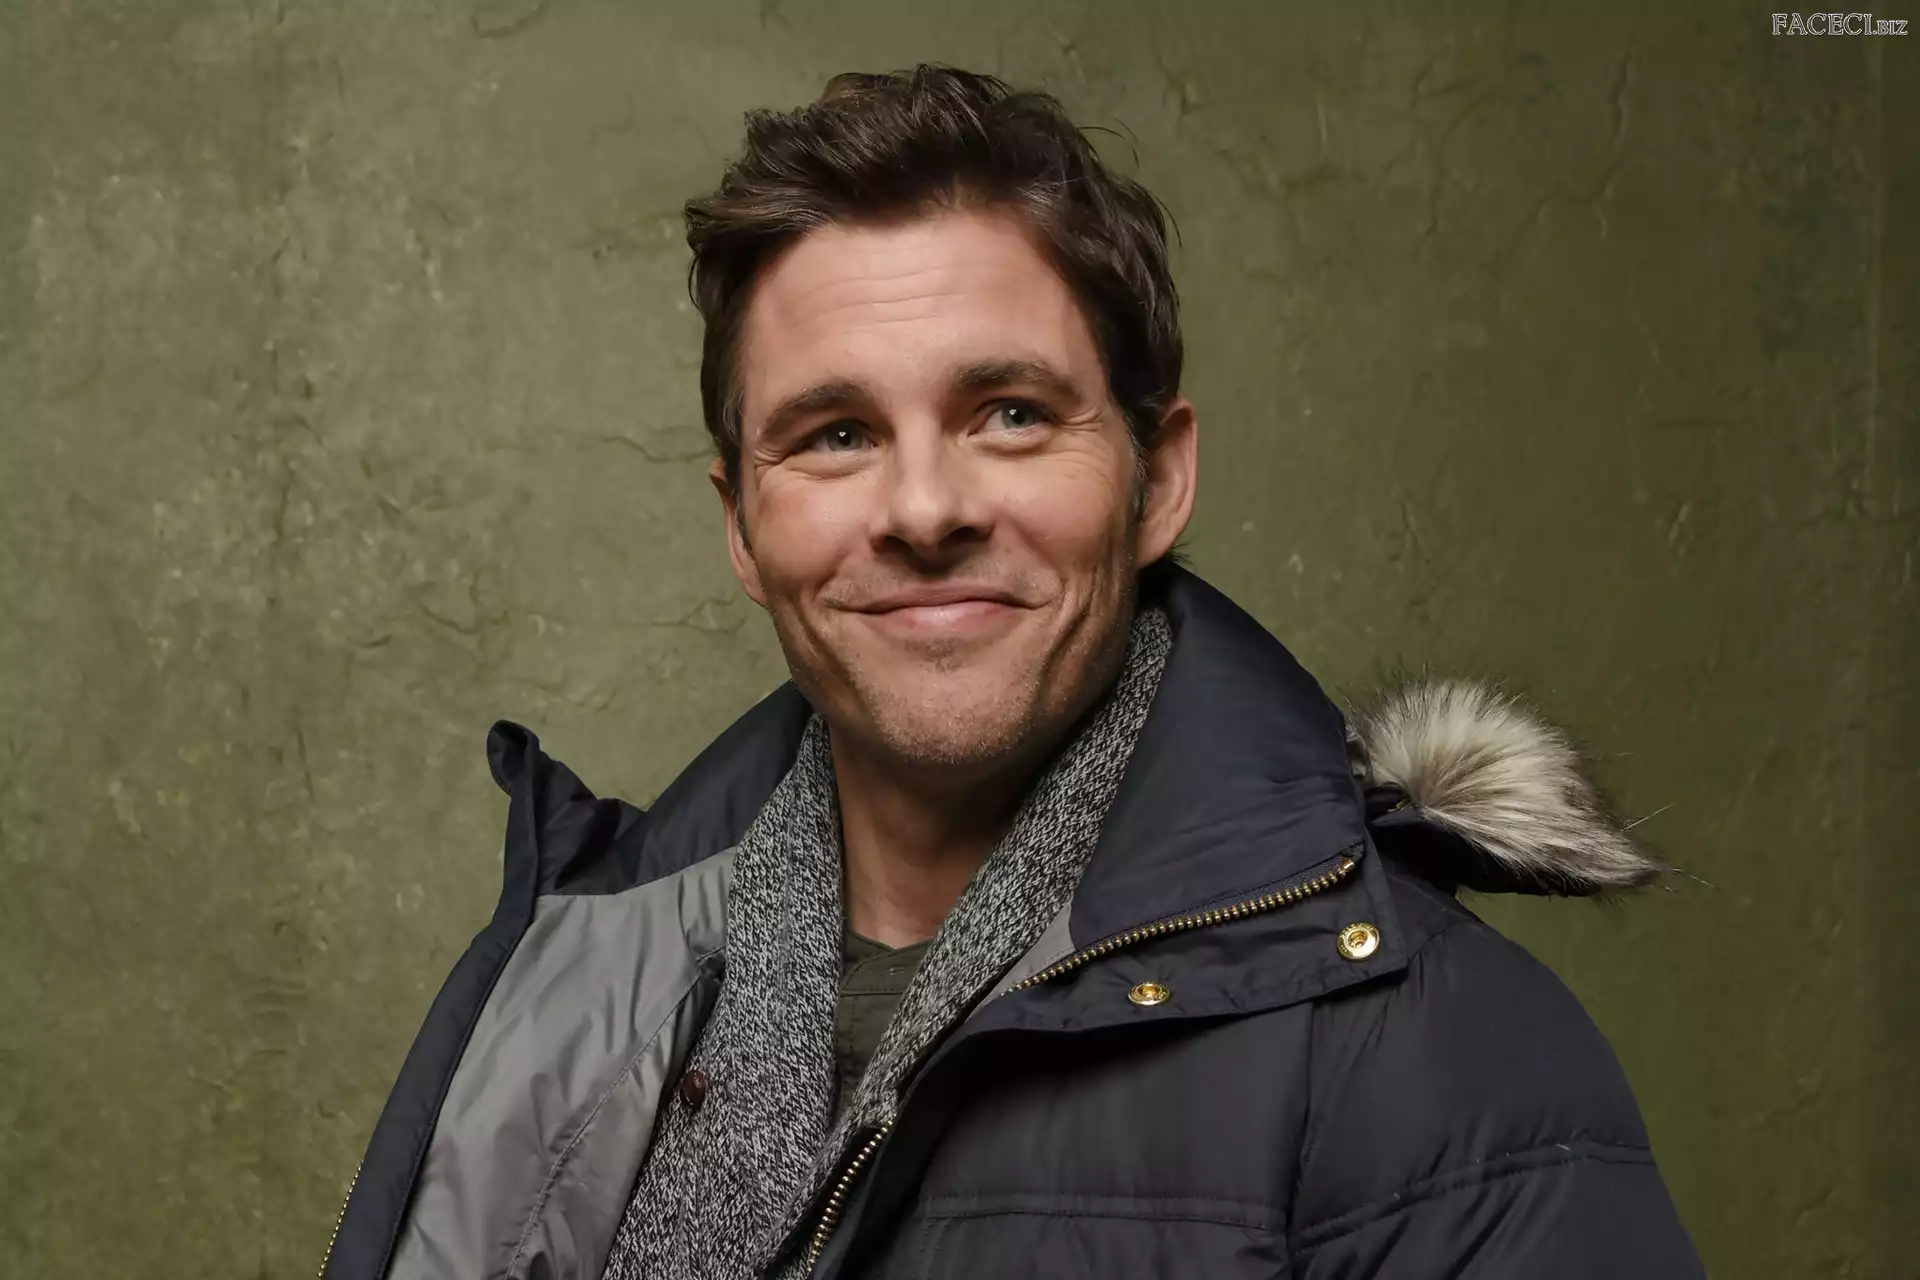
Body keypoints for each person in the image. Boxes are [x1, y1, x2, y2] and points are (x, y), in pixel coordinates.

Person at [321, 65, 1702, 1280]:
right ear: (742, 525)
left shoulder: (1435, 1051)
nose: (925, 509)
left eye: (1012, 414)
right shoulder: (559, 988)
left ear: (1158, 480)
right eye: (836, 435)